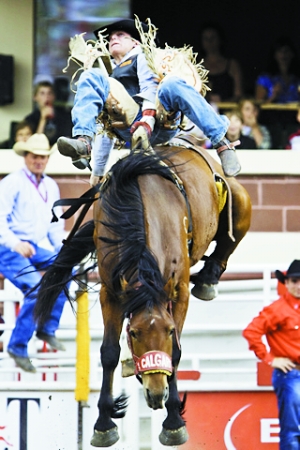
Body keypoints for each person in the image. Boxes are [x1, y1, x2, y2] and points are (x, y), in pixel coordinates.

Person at [57, 18, 241, 179]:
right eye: (111, 37)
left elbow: (150, 87)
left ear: (136, 43)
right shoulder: (106, 77)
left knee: (171, 83)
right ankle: (84, 143)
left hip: (160, 120)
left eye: (120, 35)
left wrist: (146, 123)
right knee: (91, 76)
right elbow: (107, 127)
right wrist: (97, 171)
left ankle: (221, 142)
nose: (113, 38)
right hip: (129, 127)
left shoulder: (142, 56)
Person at [0, 133, 67, 373]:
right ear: (26, 157)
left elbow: (54, 225)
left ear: (46, 160)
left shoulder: (51, 185)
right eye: (34, 156)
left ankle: (47, 328)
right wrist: (15, 243)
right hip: (8, 248)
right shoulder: (11, 182)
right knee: (36, 289)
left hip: (34, 247)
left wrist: (63, 251)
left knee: (65, 271)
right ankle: (18, 346)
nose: (38, 160)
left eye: (42, 157)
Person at [243, 260, 300, 450]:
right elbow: (252, 331)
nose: (298, 285)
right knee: (292, 431)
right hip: (291, 374)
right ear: (287, 282)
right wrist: (270, 358)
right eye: (294, 280)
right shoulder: (277, 309)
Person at [199, 22, 244, 103]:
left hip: (228, 113)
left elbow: (238, 95)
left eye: (213, 38)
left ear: (220, 39)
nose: (210, 42)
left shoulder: (232, 65)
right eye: (206, 39)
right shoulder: (197, 66)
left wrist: (222, 103)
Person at [25, 80, 73, 146]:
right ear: (35, 97)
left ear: (54, 96)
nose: (46, 97)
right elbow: (34, 144)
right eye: (42, 93)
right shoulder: (30, 119)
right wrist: (43, 119)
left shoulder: (65, 116)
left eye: (49, 93)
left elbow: (67, 138)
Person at [255, 36, 300, 104]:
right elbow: (258, 108)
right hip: (273, 114)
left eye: (286, 51)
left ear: (292, 54)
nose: (283, 55)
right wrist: (274, 96)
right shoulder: (264, 79)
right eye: (280, 51)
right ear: (274, 55)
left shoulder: (297, 78)